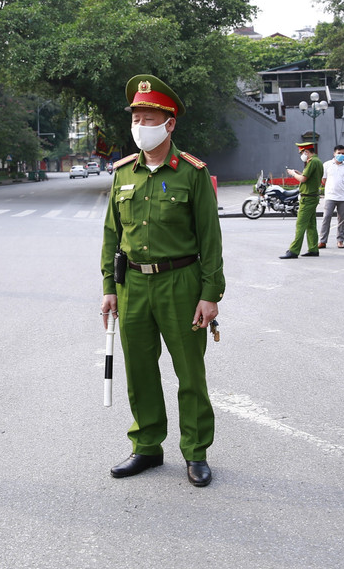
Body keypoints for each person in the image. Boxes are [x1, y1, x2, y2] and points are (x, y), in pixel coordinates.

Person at [100, 74, 225, 487]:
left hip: (181, 283)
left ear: (169, 124)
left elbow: (210, 239)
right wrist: (108, 288)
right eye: (136, 116)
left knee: (190, 373)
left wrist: (210, 294)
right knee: (139, 371)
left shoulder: (193, 173)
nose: (140, 125)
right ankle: (147, 447)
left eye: (149, 117)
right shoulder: (123, 173)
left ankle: (195, 452)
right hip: (132, 285)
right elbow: (111, 234)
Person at [280, 141, 323, 259]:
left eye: (302, 152)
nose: (302, 155)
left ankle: (294, 250)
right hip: (312, 197)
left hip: (308, 198)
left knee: (300, 224)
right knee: (311, 224)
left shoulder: (312, 162)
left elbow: (303, 179)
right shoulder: (317, 161)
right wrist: (299, 173)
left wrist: (293, 174)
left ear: (307, 152)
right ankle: (313, 249)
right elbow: (308, 177)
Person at [319, 145, 344, 249]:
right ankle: (322, 241)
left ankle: (340, 240)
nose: (340, 155)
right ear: (334, 153)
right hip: (330, 196)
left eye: (343, 153)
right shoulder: (327, 165)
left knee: (342, 220)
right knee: (326, 218)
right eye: (339, 153)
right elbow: (323, 180)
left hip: (343, 197)